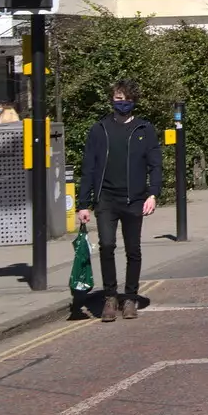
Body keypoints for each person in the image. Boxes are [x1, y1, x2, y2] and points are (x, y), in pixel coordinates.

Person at [77, 80, 163, 322]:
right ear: (111, 100)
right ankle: (110, 297)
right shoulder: (99, 130)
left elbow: (155, 165)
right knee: (106, 245)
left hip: (134, 199)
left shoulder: (144, 130)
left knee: (133, 250)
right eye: (117, 98)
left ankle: (131, 298)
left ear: (133, 101)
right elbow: (89, 168)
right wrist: (83, 203)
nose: (121, 102)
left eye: (126, 98)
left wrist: (153, 194)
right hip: (106, 198)